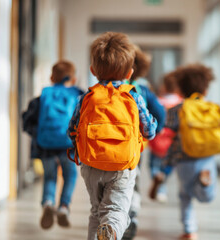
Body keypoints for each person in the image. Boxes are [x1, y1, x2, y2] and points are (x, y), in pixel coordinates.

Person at [67, 32, 157, 240]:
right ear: (130, 72)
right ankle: (112, 230)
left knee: (96, 211)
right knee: (117, 211)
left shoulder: (86, 97)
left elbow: (72, 130)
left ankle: (103, 230)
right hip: (122, 165)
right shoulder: (133, 96)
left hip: (91, 165)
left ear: (92, 70)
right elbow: (149, 131)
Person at [164, 64, 220, 240]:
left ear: (180, 89)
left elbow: (166, 124)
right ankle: (205, 184)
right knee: (207, 197)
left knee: (185, 194)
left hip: (184, 158)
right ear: (206, 89)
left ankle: (189, 231)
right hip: (207, 157)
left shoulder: (179, 109)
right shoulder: (212, 106)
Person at [22, 60, 83, 230]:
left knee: (50, 176)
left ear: (51, 77)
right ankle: (63, 207)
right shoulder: (77, 96)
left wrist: (39, 134)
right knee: (70, 175)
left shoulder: (42, 98)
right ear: (74, 79)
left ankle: (48, 202)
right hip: (68, 146)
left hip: (45, 146)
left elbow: (27, 121)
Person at [121, 45, 166, 240]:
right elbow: (160, 113)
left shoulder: (105, 89)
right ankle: (133, 212)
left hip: (105, 147)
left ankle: (114, 217)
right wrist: (154, 132)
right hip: (134, 146)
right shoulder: (142, 90)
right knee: (133, 179)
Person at [148, 71, 183, 203]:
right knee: (166, 166)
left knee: (153, 165)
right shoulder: (180, 102)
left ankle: (156, 177)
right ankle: (162, 186)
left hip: (157, 138)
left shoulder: (158, 101)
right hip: (171, 141)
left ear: (164, 86)